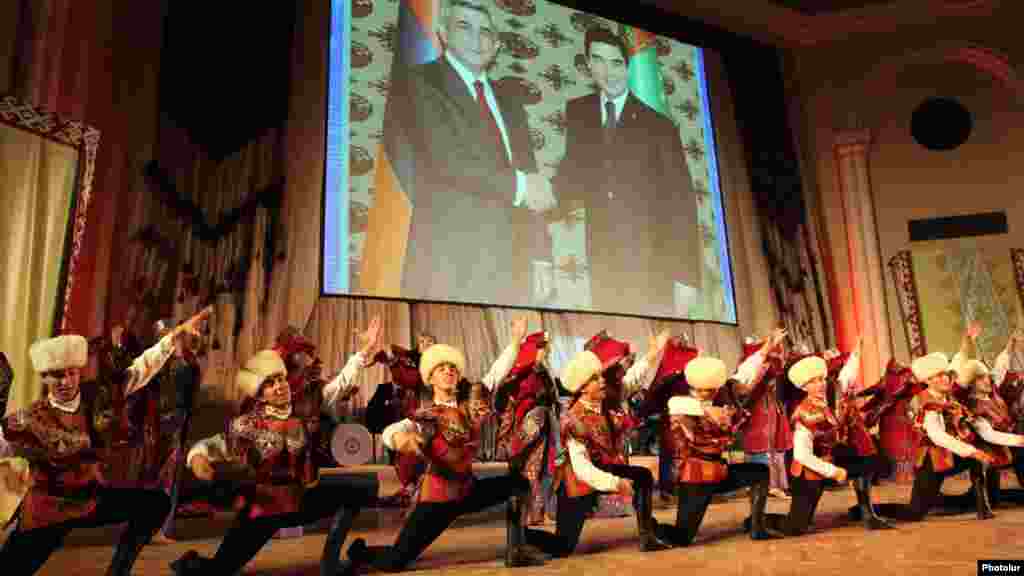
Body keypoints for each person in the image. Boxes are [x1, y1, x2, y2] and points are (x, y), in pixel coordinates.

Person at [0, 308, 210, 575]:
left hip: (91, 499)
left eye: (71, 373)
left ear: (78, 372)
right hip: (49, 511)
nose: (65, 381)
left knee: (155, 503)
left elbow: (140, 370)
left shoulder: (97, 398)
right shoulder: (29, 418)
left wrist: (174, 337)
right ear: (44, 377)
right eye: (56, 375)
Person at [173, 318, 384, 576]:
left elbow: (337, 387)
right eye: (270, 384)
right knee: (219, 570)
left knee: (358, 489)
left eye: (280, 380)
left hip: (301, 499)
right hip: (265, 508)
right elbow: (214, 445)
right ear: (260, 394)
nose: (279, 386)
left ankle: (330, 565)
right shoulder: (249, 423)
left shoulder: (302, 413)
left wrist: (361, 354)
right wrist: (198, 459)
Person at [343, 320, 548, 572]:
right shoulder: (427, 414)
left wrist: (515, 341)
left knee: (519, 483)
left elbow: (495, 375)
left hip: (467, 491)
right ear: (430, 378)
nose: (448, 371)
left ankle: (516, 550)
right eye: (441, 368)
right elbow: (393, 431)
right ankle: (360, 552)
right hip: (438, 500)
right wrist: (400, 440)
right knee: (396, 562)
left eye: (452, 367)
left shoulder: (470, 404)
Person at [387, 0, 553, 305]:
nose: (477, 39)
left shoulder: (510, 98)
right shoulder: (419, 81)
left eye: (486, 32)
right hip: (448, 260)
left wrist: (541, 254)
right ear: (443, 34)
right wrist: (521, 186)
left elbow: (530, 175)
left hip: (512, 264)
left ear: (498, 45)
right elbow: (445, 161)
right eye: (465, 27)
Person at [553, 26, 700, 318]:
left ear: (629, 65)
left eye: (617, 62)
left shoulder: (659, 127)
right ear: (588, 63)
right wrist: (540, 191)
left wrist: (686, 277)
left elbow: (681, 203)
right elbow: (573, 173)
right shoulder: (578, 112)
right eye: (599, 60)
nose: (608, 72)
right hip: (602, 260)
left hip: (651, 262)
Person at [521, 344, 672, 558]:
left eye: (600, 376)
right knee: (563, 547)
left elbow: (629, 382)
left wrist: (651, 355)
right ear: (583, 387)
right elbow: (582, 468)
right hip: (577, 481)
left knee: (643, 476)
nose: (602, 381)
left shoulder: (605, 400)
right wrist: (615, 483)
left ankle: (647, 536)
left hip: (603, 466)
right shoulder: (572, 419)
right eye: (595, 379)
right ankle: (521, 535)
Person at [749, 352, 893, 536]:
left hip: (826, 459)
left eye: (821, 379)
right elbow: (802, 455)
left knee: (868, 460)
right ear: (803, 386)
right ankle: (757, 519)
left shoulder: (825, 404)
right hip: (807, 472)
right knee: (796, 527)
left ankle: (867, 513)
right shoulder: (804, 413)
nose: (820, 384)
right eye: (813, 382)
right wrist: (834, 471)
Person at [655, 356, 782, 545]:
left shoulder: (721, 404)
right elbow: (676, 405)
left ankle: (758, 527)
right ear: (695, 387)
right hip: (695, 477)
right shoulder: (682, 404)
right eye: (706, 389)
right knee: (682, 538)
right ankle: (649, 529)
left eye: (713, 389)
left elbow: (742, 385)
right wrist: (707, 411)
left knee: (760, 472)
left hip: (718, 472)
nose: (711, 393)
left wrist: (762, 363)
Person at [872, 352, 996, 522]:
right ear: (928, 380)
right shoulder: (925, 403)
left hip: (952, 455)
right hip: (933, 460)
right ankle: (870, 509)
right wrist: (970, 451)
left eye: (946, 374)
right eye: (938, 376)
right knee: (914, 514)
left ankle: (983, 507)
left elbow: (960, 363)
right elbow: (938, 436)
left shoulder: (949, 398)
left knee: (981, 455)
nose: (945, 379)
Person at [494, 331, 559, 525]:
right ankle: (528, 513)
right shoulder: (522, 371)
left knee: (542, 467)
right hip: (529, 420)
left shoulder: (542, 371)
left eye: (545, 348)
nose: (545, 352)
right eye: (542, 348)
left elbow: (551, 396)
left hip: (543, 422)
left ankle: (538, 512)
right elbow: (508, 397)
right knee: (530, 468)